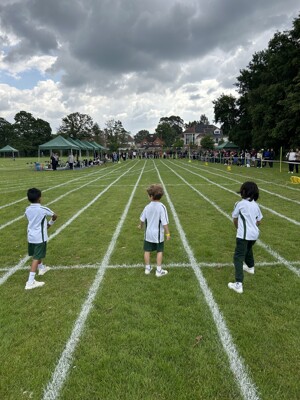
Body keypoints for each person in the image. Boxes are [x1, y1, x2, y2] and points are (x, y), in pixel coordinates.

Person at [228, 181, 263, 294]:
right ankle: (251, 267)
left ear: (243, 191)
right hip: (254, 234)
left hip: (243, 235)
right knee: (248, 249)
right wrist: (253, 226)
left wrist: (239, 228)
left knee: (238, 257)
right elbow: (259, 220)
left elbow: (235, 218)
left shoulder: (240, 204)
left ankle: (238, 284)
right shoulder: (256, 205)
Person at [24, 188, 58, 290]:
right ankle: (30, 282)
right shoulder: (43, 209)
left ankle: (42, 268)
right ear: (40, 198)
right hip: (40, 237)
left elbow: (27, 217)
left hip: (31, 236)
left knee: (37, 254)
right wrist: (49, 224)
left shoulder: (27, 209)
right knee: (36, 257)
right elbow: (54, 215)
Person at [138, 184, 171, 277]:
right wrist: (168, 233)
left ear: (151, 196)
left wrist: (140, 226)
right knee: (159, 251)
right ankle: (158, 271)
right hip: (158, 235)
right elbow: (165, 223)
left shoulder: (147, 207)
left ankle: (147, 269)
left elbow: (142, 219)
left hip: (148, 234)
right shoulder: (162, 207)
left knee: (147, 250)